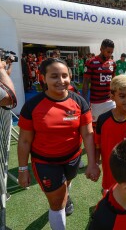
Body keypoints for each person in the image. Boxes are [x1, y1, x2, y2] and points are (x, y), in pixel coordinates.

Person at [17, 58, 100, 230]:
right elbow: (24, 140)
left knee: (66, 185)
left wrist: (92, 163)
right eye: (54, 76)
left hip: (72, 159)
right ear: (44, 78)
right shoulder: (32, 106)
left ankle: (66, 194)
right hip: (45, 163)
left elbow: (88, 134)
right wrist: (23, 169)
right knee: (56, 204)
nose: (61, 81)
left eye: (64, 76)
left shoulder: (79, 102)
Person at [82, 39, 116, 125]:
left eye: (111, 52)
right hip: (96, 102)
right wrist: (85, 102)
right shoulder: (90, 62)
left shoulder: (113, 63)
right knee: (96, 127)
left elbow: (114, 81)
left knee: (112, 124)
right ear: (101, 49)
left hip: (110, 101)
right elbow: (86, 83)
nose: (110, 54)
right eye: (108, 52)